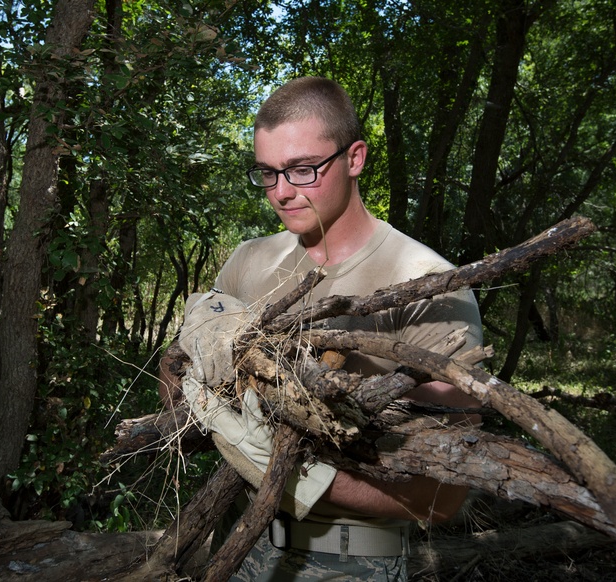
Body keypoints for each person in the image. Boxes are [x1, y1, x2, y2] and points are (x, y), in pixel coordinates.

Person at [161, 76, 483, 581]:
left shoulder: (427, 285)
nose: (282, 193)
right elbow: (182, 386)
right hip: (241, 546)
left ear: (355, 158)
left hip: (350, 561)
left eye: (302, 169)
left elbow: (441, 496)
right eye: (266, 174)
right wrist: (189, 383)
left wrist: (297, 475)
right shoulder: (249, 263)